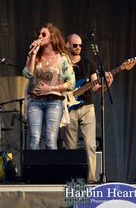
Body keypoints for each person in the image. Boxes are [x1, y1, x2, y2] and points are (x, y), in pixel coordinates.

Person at [62, 33, 113, 183]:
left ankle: (91, 179)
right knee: (69, 146)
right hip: (68, 107)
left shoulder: (89, 64)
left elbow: (96, 88)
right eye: (75, 45)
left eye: (80, 45)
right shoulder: (62, 64)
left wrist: (107, 83)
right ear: (67, 45)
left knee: (90, 145)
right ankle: (70, 179)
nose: (78, 48)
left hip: (87, 108)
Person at [23, 23, 75, 150]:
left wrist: (50, 88)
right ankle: (34, 170)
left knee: (50, 141)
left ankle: (51, 170)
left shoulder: (62, 58)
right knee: (34, 139)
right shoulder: (35, 57)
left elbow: (71, 83)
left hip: (54, 101)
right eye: (39, 34)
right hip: (35, 101)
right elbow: (27, 74)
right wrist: (33, 54)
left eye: (43, 34)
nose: (40, 36)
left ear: (52, 38)